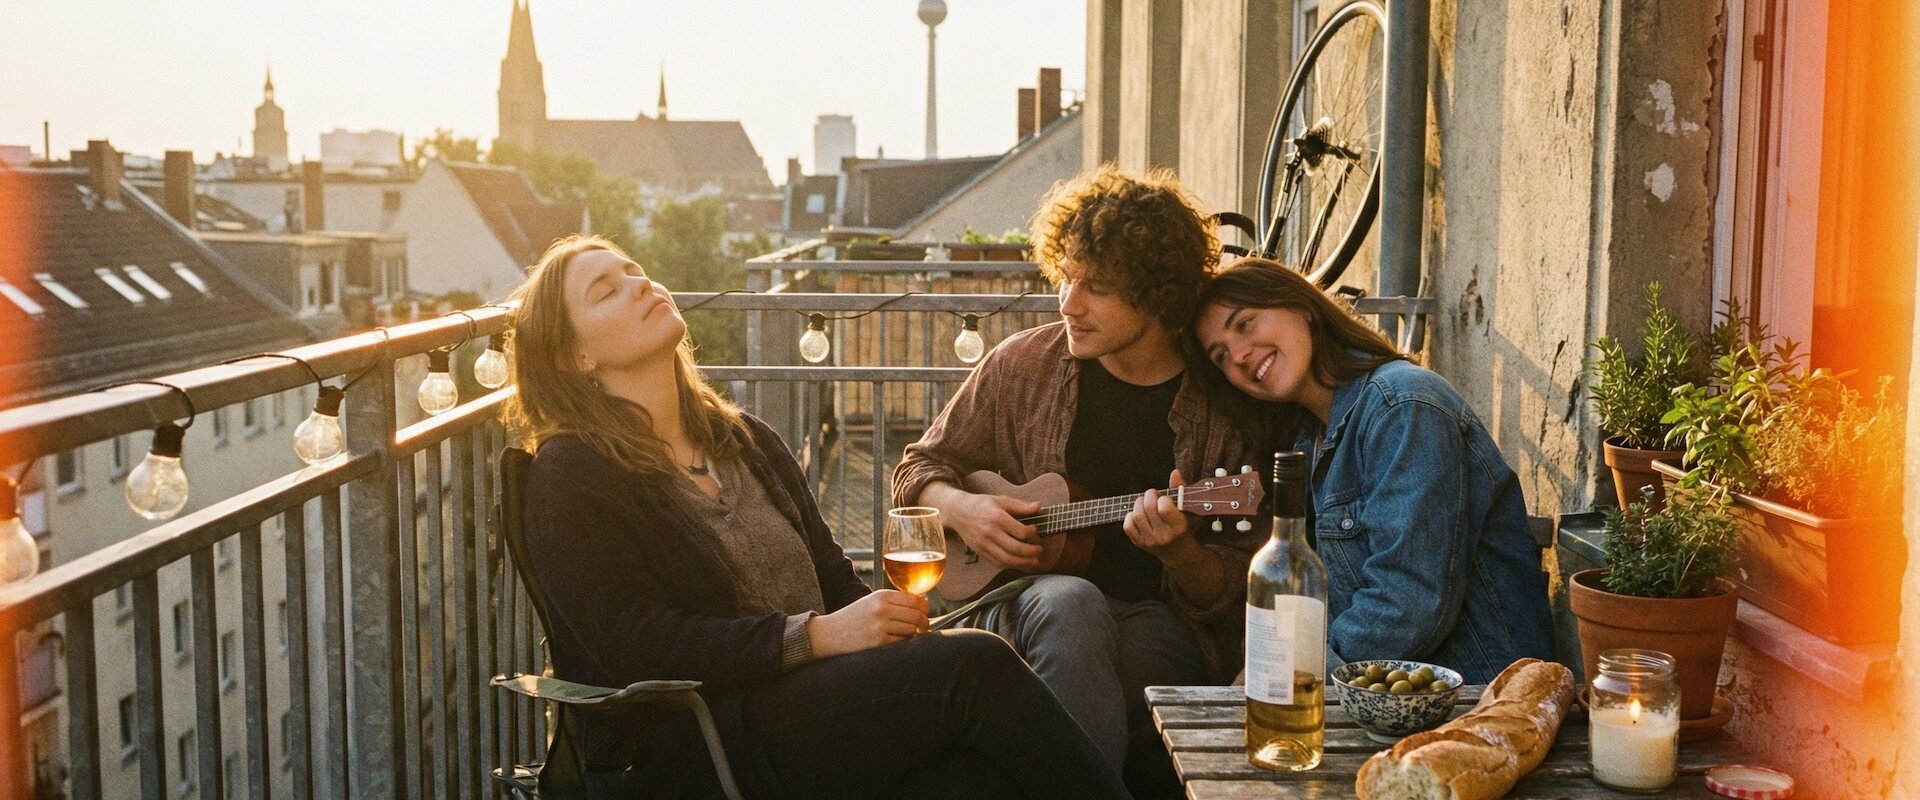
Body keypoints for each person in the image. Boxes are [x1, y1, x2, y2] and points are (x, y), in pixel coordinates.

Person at [504, 235, 1129, 800]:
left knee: (982, 779)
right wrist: (816, 637)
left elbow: (833, 578)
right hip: (705, 741)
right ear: (573, 358)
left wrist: (889, 635)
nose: (639, 283)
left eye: (634, 270)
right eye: (606, 290)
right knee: (977, 664)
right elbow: (635, 646)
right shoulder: (572, 472)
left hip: (813, 711)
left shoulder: (745, 440)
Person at [892, 166, 1267, 797]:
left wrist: (1182, 552)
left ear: (1157, 295)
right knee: (1071, 602)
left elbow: (1239, 588)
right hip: (1022, 604)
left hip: (1160, 617)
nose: (1068, 303)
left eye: (1096, 286)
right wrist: (962, 510)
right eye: (1066, 277)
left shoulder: (1223, 406)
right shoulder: (1023, 365)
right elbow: (917, 470)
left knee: (1142, 659)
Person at [1191, 257, 1555, 684]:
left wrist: (1293, 672)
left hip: (1480, 695)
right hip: (1382, 695)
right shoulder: (1310, 441)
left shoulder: (1403, 405)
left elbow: (1409, 600)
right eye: (1220, 356)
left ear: (1302, 306)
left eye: (1244, 324)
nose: (1238, 355)